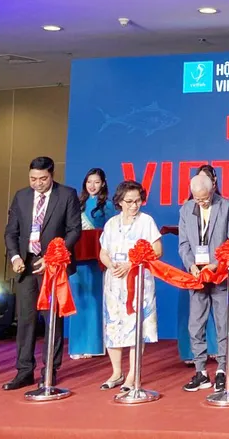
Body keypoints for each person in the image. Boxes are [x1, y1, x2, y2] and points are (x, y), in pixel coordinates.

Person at [1, 157, 82, 391]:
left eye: (43, 179)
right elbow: (11, 231)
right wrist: (15, 257)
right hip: (26, 265)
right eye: (33, 179)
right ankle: (24, 370)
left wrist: (53, 257)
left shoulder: (66, 195)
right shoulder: (21, 196)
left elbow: (74, 230)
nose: (37, 183)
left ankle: (49, 370)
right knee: (25, 319)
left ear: (52, 175)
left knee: (52, 319)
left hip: (52, 266)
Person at [178, 174, 229, 392]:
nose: (201, 202)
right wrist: (191, 265)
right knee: (195, 325)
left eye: (204, 198)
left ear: (213, 189)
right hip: (197, 277)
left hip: (219, 275)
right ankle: (200, 372)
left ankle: (222, 370)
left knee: (223, 324)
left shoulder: (227, 207)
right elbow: (183, 244)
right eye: (197, 198)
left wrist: (215, 264)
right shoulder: (186, 209)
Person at [98, 180, 161, 392]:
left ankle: (133, 374)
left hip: (138, 280)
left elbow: (157, 250)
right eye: (129, 201)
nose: (134, 205)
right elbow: (103, 252)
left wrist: (131, 264)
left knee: (136, 328)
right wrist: (111, 265)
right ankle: (117, 372)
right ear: (119, 202)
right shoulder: (111, 224)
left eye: (138, 201)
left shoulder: (146, 221)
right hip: (114, 281)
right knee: (113, 326)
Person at [68, 168, 114, 359]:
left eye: (96, 182)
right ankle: (77, 345)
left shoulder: (108, 205)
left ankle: (94, 344)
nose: (92, 186)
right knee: (78, 299)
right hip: (77, 257)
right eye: (89, 182)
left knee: (95, 300)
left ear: (103, 183)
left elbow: (111, 232)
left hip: (96, 258)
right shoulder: (77, 203)